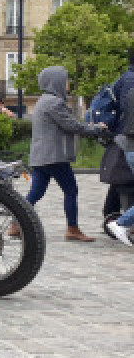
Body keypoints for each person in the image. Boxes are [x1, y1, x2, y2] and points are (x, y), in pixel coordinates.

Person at [21, 66, 108, 242]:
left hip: (40, 156)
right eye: (66, 80)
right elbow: (72, 126)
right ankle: (72, 229)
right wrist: (97, 128)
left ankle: (16, 223)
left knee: (36, 192)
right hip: (54, 156)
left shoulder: (42, 101)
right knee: (71, 190)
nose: (68, 83)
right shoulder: (54, 102)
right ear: (56, 81)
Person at [102, 48, 134, 227]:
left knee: (121, 179)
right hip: (128, 137)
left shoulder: (123, 79)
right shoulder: (131, 81)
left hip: (121, 136)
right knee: (126, 182)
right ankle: (122, 223)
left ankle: (111, 217)